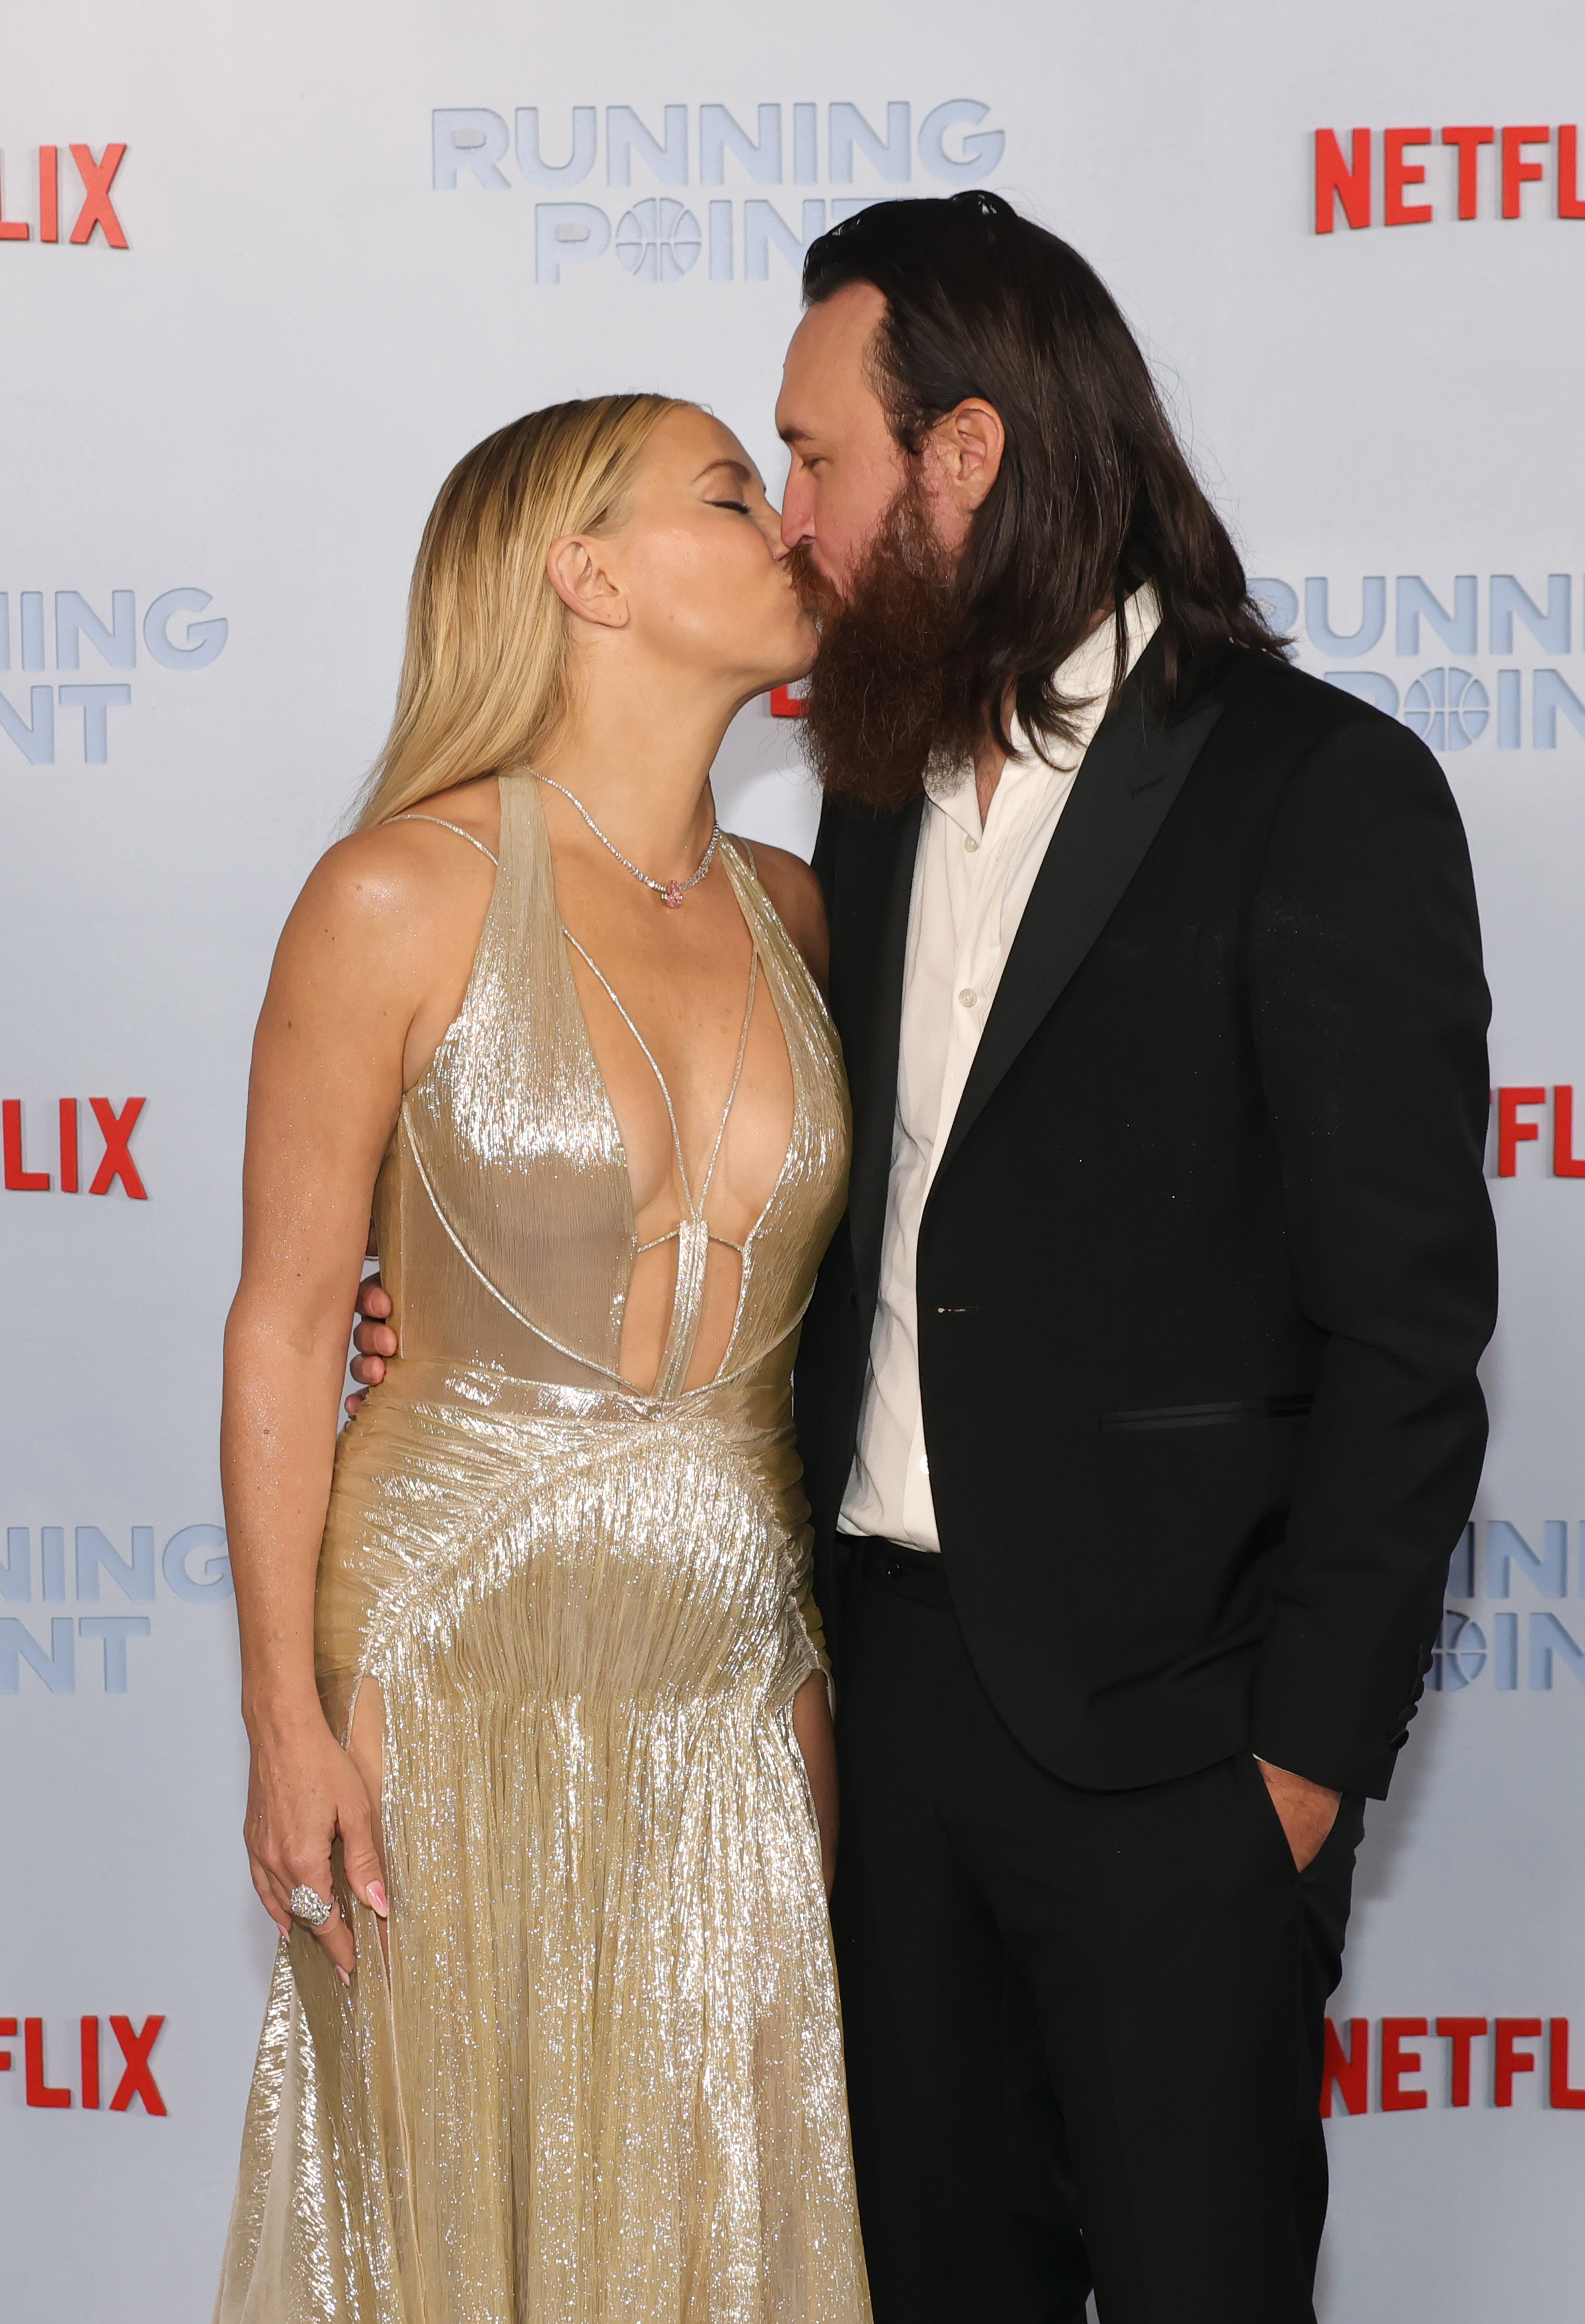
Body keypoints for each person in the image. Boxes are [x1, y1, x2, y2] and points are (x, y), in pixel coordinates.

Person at [346, 198, 1496, 2320]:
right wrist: (454, 1293)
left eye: (816, 459)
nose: (795, 521)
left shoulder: (1317, 790)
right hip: (868, 1724)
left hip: (1178, 1758)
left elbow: (1411, 1342)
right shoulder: (853, 811)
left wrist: (1294, 1787)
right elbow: (747, 1191)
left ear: (958, 457)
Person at [213, 394, 870, 2324]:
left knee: (722, 2224)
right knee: (443, 2225)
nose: (785, 525)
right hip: (445, 1653)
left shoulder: (809, 912)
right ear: (586, 575)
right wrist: (282, 1716)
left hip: (740, 1675)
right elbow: (280, 1316)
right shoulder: (395, 893)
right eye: (729, 495)